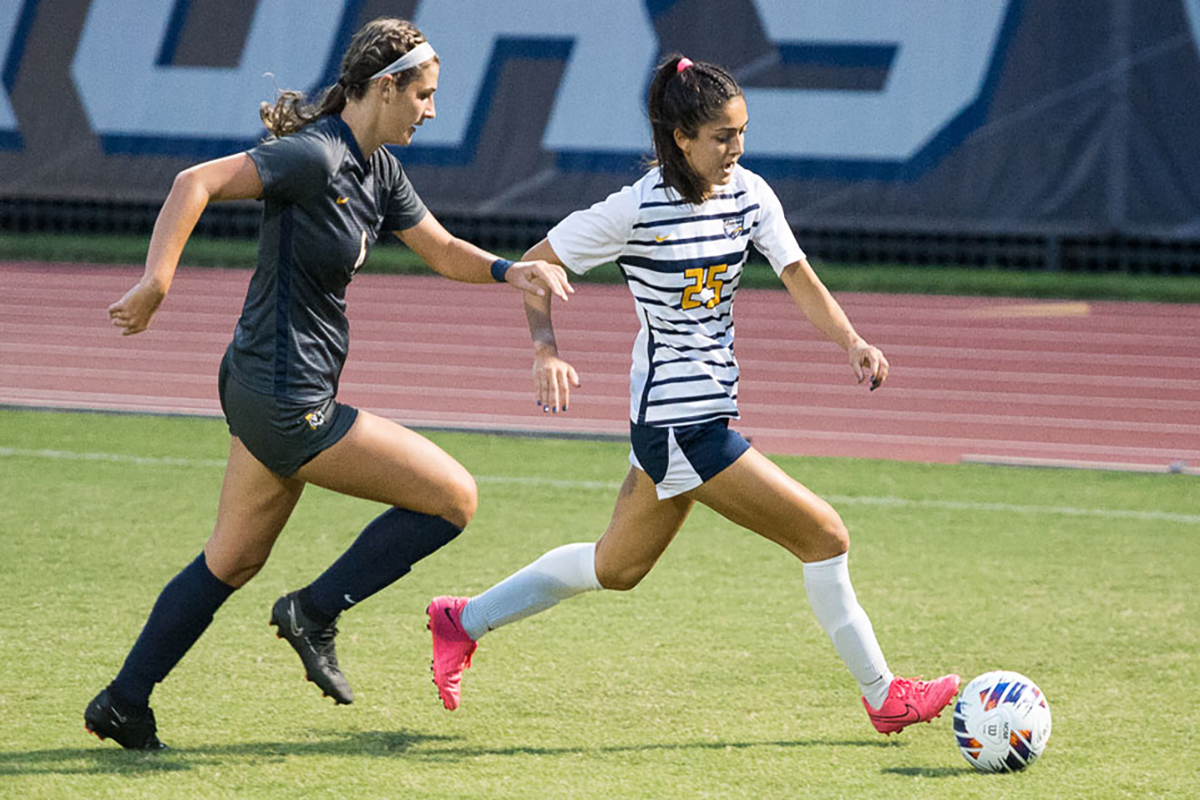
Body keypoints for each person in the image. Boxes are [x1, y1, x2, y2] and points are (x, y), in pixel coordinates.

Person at [426, 55, 959, 735]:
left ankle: (460, 620)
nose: (736, 149)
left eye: (741, 133)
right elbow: (537, 268)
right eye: (721, 137)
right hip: (681, 423)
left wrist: (850, 340)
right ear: (681, 138)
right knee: (826, 537)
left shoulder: (750, 194)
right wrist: (545, 348)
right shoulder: (635, 208)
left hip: (688, 418)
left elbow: (796, 274)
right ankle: (885, 697)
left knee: (615, 567)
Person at [84, 17, 573, 750]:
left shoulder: (377, 167)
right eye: (424, 95)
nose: (431, 111)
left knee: (234, 558)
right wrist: (157, 280)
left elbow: (439, 249)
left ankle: (124, 701)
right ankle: (314, 612)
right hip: (285, 398)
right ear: (385, 87)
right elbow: (196, 182)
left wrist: (511, 271)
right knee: (452, 498)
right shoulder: (314, 156)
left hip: (262, 383)